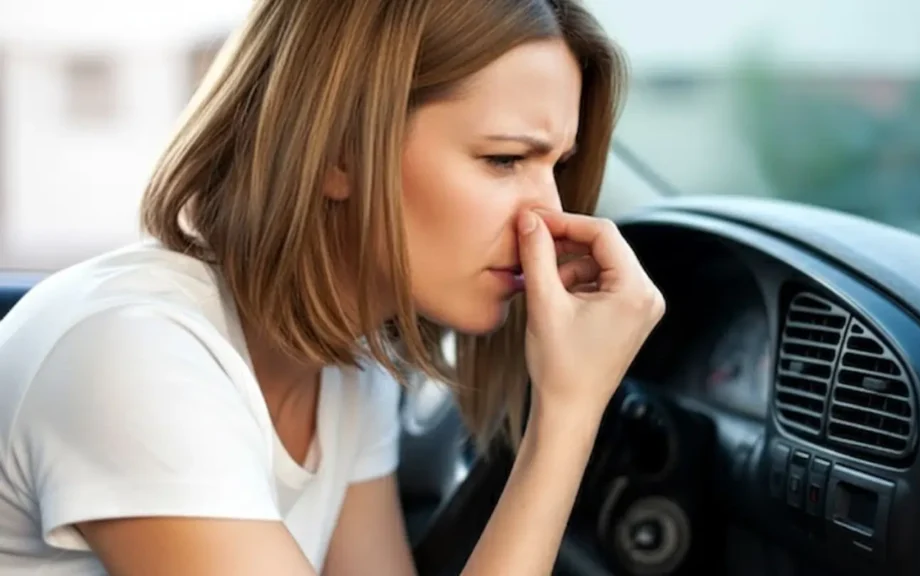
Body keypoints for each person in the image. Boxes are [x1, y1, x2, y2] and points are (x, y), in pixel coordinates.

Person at [0, 0, 664, 574]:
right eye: (504, 159)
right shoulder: (133, 358)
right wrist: (569, 412)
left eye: (559, 166)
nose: (547, 220)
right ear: (336, 155)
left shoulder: (347, 369)